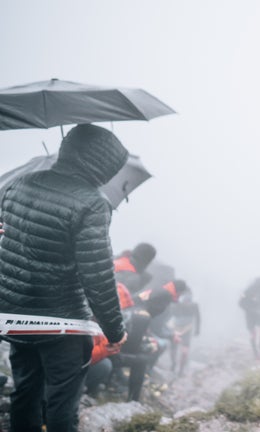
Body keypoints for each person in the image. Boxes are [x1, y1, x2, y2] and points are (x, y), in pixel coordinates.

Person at [0, 124, 128, 431]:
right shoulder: (92, 203)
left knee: (25, 395)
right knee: (61, 404)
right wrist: (114, 330)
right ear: (102, 164)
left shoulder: (18, 183)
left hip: (16, 316)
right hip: (62, 323)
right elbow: (96, 276)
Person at [238, 277, 260, 359]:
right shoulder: (249, 290)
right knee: (253, 334)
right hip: (250, 315)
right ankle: (255, 352)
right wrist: (250, 309)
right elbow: (240, 303)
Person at [169, 288, 201, 376]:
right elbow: (168, 314)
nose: (187, 300)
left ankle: (180, 370)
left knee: (184, 350)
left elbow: (198, 317)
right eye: (185, 298)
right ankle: (174, 364)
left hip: (187, 328)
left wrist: (197, 330)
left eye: (189, 298)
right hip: (175, 327)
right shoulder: (175, 304)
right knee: (173, 348)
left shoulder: (194, 305)